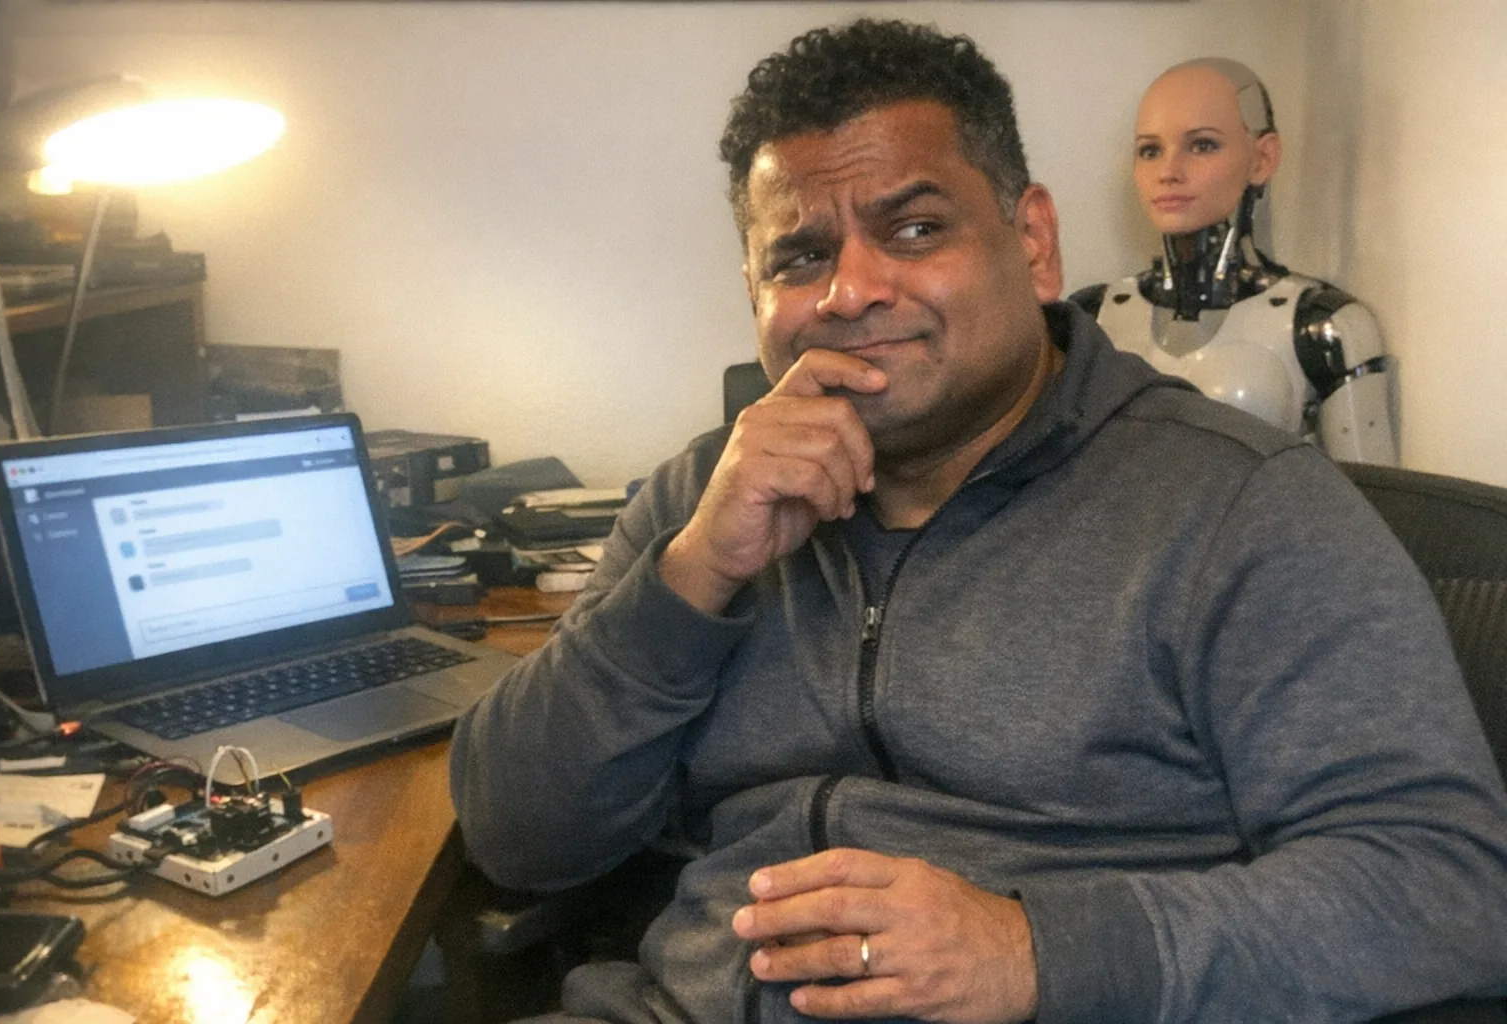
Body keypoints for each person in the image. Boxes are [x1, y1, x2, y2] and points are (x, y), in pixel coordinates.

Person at [450, 19, 1507, 1023]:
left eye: (916, 228)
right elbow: (515, 838)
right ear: (755, 290)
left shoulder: (1239, 505)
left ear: (1033, 241)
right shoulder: (701, 499)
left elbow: (1448, 880)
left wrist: (1035, 950)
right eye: (800, 256)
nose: (853, 289)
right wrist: (690, 578)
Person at [1071, 59, 1399, 465]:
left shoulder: (1323, 328)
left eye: (1203, 144)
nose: (1169, 171)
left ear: (1262, 158)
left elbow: (1374, 504)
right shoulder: (1091, 318)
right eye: (1150, 150)